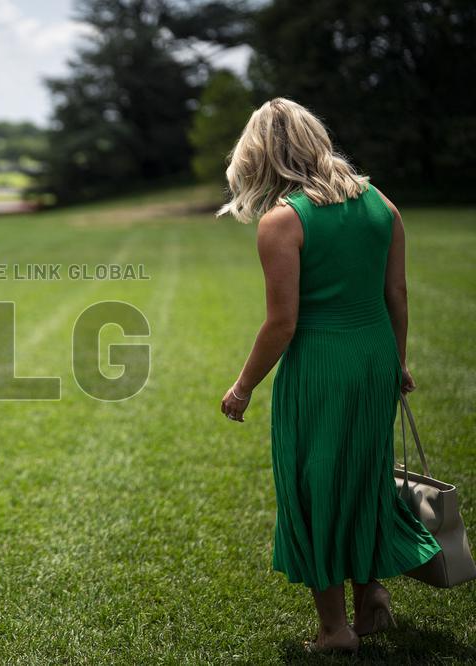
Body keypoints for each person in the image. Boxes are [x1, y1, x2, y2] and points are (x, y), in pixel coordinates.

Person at [217, 98, 441, 653]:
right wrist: (397, 361)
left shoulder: (282, 221)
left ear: (260, 155)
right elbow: (396, 293)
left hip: (321, 364)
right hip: (374, 357)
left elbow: (283, 322)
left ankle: (334, 629)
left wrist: (243, 387)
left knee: (315, 485)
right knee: (365, 478)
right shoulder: (381, 205)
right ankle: (371, 597)